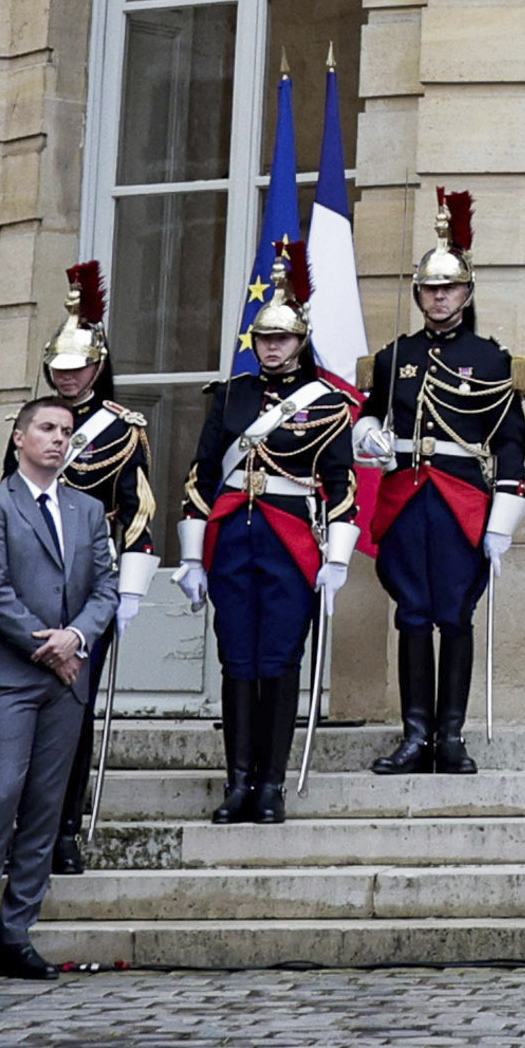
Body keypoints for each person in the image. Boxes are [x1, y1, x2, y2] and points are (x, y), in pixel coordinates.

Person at [360, 200, 522, 772]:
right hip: (407, 497)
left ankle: (449, 736)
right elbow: (372, 415)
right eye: (430, 290)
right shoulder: (394, 356)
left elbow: (509, 441)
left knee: (454, 615)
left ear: (467, 295)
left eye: (449, 289)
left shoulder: (490, 358)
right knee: (412, 614)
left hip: (461, 501)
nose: (439, 299)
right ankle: (413, 734)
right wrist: (368, 434)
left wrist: (502, 518)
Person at [0, 394, 113, 986]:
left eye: (65, 430)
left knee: (46, 809)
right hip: (13, 674)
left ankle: (16, 933)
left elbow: (105, 587)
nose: (57, 438)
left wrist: (75, 637)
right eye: (45, 428)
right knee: (0, 795)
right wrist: (45, 647)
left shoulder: (88, 509)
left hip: (67, 676)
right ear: (20, 438)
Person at [190, 272, 354, 825]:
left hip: (290, 542)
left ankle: (272, 785)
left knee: (279, 660)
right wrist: (192, 555)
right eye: (264, 338)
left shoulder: (327, 404)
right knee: (236, 660)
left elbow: (342, 483)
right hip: (235, 536)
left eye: (282, 338)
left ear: (301, 342)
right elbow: (201, 476)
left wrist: (337, 560)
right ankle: (238, 782)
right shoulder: (230, 396)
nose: (273, 347)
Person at [35, 268, 148, 879]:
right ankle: (29, 820)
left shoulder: (120, 430)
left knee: (75, 706)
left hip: (88, 580)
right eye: (60, 365)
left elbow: (137, 510)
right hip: (34, 579)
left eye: (79, 365)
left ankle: (64, 826)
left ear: (98, 364)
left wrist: (129, 589)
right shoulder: (30, 424)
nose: (68, 374)